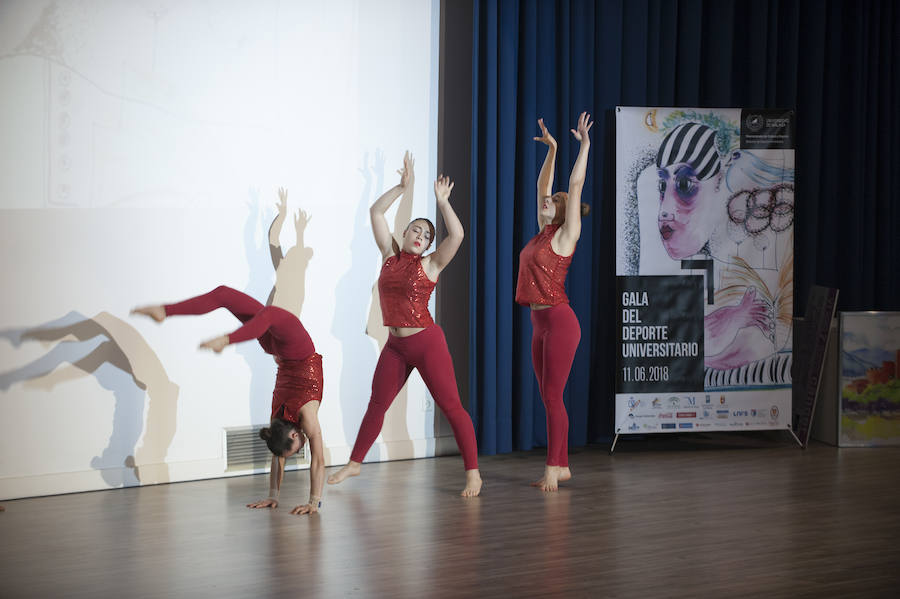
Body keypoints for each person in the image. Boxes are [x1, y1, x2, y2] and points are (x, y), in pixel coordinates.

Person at [132, 191, 325, 515]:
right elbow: (319, 459)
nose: (299, 450)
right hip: (297, 350)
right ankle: (175, 315)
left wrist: (278, 495)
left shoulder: (281, 426)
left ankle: (195, 324)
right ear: (295, 432)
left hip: (275, 345)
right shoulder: (307, 417)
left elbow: (279, 452)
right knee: (243, 303)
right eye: (296, 449)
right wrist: (310, 502)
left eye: (295, 450)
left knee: (233, 299)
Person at [328, 152, 482, 497]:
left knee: (451, 406)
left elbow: (456, 236)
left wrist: (443, 203)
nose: (420, 235)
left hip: (427, 342)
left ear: (428, 244)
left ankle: (473, 473)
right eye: (415, 229)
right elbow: (376, 212)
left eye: (426, 234)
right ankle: (355, 462)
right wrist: (401, 186)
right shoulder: (389, 256)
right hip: (395, 345)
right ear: (405, 232)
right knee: (377, 403)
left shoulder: (430, 265)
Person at [515, 113, 592, 492]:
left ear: (564, 212)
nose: (547, 200)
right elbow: (543, 183)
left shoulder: (566, 236)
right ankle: (561, 466)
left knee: (552, 395)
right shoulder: (541, 233)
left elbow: (573, 186)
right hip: (538, 323)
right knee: (548, 398)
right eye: (547, 200)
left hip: (560, 322)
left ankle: (553, 469)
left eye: (554, 201)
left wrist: (584, 146)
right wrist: (554, 149)